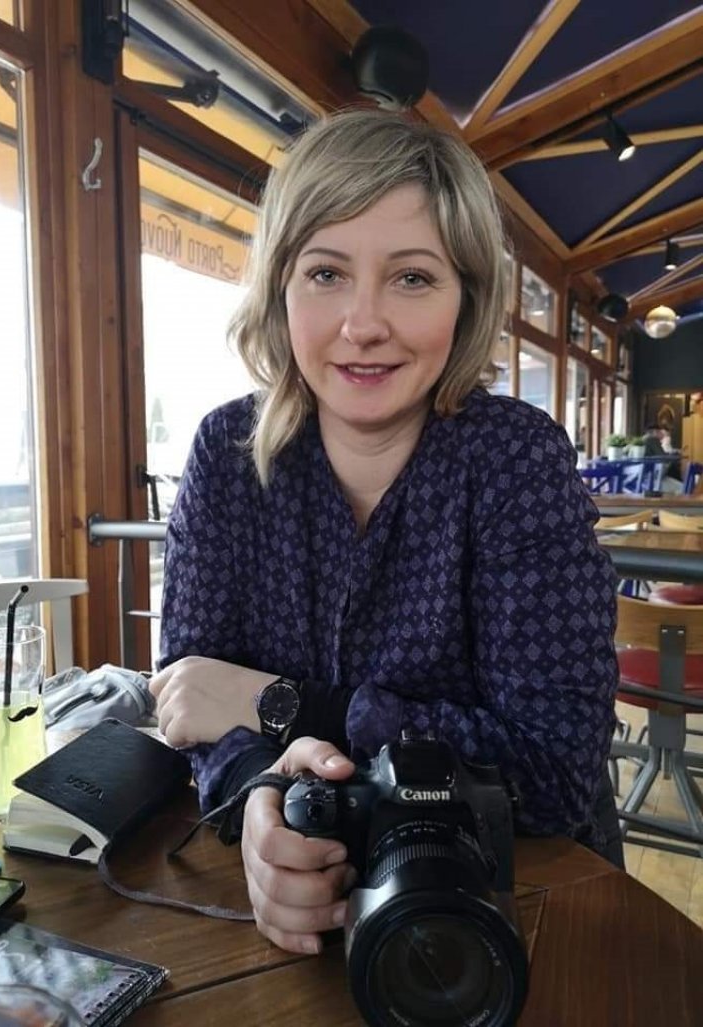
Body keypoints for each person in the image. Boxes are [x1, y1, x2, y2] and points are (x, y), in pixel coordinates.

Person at [149, 109, 619, 956]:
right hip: (289, 908)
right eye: (326, 272)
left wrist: (281, 704)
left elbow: (554, 775)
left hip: (522, 901)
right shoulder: (227, 454)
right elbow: (191, 703)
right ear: (280, 288)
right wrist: (259, 795)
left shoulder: (515, 459)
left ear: (466, 297)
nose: (363, 324)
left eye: (411, 278)